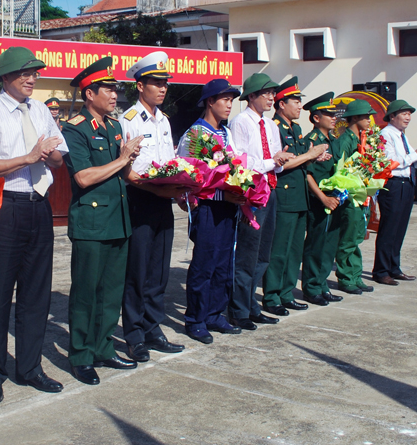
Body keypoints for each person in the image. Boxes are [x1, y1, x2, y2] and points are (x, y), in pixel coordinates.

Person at [0, 47, 68, 402]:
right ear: (5, 77)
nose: (32, 79)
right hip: (5, 208)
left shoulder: (41, 110)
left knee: (36, 294)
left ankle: (29, 367)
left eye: (35, 73)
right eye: (25, 74)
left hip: (38, 205)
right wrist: (28, 157)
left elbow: (58, 158)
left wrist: (50, 154)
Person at [62, 57, 143, 385]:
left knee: (111, 291)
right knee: (86, 292)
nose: (114, 95)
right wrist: (122, 159)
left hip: (117, 220)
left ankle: (104, 347)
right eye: (107, 90)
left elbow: (121, 173)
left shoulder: (114, 126)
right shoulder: (75, 128)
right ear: (89, 93)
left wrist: (134, 164)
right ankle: (81, 355)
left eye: (114, 89)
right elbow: (83, 177)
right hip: (91, 223)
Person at [119, 51, 185, 361]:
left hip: (163, 200)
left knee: (159, 270)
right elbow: (126, 169)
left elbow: (169, 161)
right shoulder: (128, 120)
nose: (162, 88)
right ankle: (134, 334)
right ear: (140, 86)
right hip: (140, 199)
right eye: (155, 83)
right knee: (138, 270)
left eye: (165, 83)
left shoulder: (165, 121)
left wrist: (180, 187)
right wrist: (155, 188)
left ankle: (153, 327)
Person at [176, 79, 244, 344]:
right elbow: (189, 178)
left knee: (224, 264)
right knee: (204, 265)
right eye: (224, 99)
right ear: (209, 102)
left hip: (228, 206)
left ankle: (215, 313)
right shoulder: (195, 135)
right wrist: (221, 193)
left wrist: (242, 188)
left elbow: (235, 167)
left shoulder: (225, 133)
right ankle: (195, 319)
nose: (229, 105)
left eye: (231, 100)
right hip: (206, 208)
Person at [227, 73, 294, 330]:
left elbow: (276, 160)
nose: (271, 98)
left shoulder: (272, 125)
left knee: (263, 253)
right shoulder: (241, 122)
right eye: (265, 93)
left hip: (271, 189)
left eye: (272, 93)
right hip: (252, 193)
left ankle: (252, 305)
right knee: (247, 253)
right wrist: (272, 162)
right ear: (251, 96)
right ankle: (239, 309)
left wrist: (278, 162)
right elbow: (241, 162)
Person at [261, 77, 330, 316]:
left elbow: (299, 159)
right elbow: (281, 164)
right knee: (279, 250)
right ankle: (271, 296)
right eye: (295, 101)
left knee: (294, 250)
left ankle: (286, 293)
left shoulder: (296, 128)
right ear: (281, 104)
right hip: (285, 195)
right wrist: (310, 154)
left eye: (300, 101)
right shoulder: (275, 128)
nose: (300, 106)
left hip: (300, 196)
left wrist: (313, 157)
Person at [372, 100, 417, 285]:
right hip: (393, 184)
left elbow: (409, 159)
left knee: (400, 228)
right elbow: (392, 161)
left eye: (409, 114)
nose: (408, 118)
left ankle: (394, 267)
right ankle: (381, 270)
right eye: (404, 114)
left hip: (406, 183)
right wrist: (415, 154)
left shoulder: (401, 135)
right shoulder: (386, 134)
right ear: (393, 116)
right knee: (389, 228)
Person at [301, 93, 344, 305]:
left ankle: (322, 284)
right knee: (316, 245)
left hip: (335, 199)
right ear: (316, 118)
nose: (333, 117)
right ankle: (311, 287)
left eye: (334, 114)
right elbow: (307, 174)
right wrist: (323, 197)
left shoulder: (333, 141)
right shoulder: (310, 141)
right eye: (328, 114)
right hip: (318, 201)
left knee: (329, 246)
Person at [334, 99, 376, 295]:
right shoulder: (345, 140)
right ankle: (345, 277)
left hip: (361, 195)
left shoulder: (360, 138)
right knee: (348, 238)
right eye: (366, 117)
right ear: (356, 118)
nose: (369, 120)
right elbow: (341, 170)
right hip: (350, 196)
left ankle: (355, 275)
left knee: (357, 237)